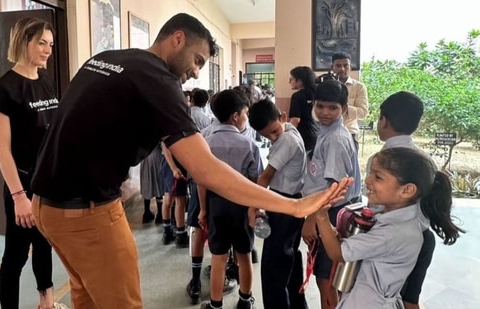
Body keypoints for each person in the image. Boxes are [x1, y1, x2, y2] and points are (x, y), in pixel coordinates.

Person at [30, 13, 351, 309]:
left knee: (87, 297)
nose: (197, 72)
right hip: (86, 213)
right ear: (177, 38)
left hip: (46, 205)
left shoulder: (107, 59)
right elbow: (206, 169)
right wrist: (294, 206)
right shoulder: (157, 78)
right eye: (197, 59)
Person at [316, 147, 464, 309]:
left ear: (407, 190)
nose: (368, 180)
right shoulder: (401, 220)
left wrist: (321, 216)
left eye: (378, 177)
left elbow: (337, 253)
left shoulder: (395, 232)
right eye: (370, 173)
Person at [0, 17, 64, 309]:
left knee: (44, 244)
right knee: (16, 254)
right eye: (41, 43)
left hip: (47, 184)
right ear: (23, 41)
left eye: (51, 44)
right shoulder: (3, 90)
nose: (47, 50)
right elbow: (1, 150)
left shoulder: (45, 82)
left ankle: (47, 301)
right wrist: (19, 197)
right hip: (22, 185)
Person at [370, 91, 466, 309]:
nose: (370, 181)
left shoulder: (381, 160)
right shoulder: (426, 160)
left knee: (385, 296)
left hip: (393, 242)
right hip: (423, 239)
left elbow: (376, 206)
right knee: (410, 299)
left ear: (384, 121)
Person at [198, 89, 262, 309]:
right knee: (244, 254)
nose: (247, 117)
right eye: (245, 112)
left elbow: (201, 181)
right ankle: (245, 300)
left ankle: (216, 305)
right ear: (235, 115)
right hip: (242, 205)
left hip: (216, 204)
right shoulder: (249, 145)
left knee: (218, 256)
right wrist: (255, 209)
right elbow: (255, 182)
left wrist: (203, 209)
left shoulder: (205, 142)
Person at [300, 80, 361, 309]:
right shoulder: (327, 132)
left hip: (331, 212)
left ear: (344, 109)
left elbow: (334, 188)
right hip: (327, 209)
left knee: (326, 277)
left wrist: (311, 219)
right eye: (320, 106)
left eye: (333, 108)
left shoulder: (336, 138)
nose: (325, 112)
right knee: (325, 276)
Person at [248, 100, 308, 309]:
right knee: (289, 259)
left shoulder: (286, 141)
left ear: (282, 116)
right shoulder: (290, 130)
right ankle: (297, 304)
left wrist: (252, 207)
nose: (273, 138)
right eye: (267, 136)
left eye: (274, 131)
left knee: (273, 268)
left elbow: (265, 178)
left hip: (283, 205)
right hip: (291, 202)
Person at [330, 52, 368, 152]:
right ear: (332, 67)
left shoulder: (359, 87)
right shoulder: (325, 87)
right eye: (338, 66)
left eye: (346, 65)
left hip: (350, 133)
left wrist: (341, 107)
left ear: (350, 67)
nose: (342, 69)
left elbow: (363, 113)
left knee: (350, 167)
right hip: (327, 133)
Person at [288, 66, 319, 152]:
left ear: (300, 80)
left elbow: (295, 120)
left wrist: (287, 135)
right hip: (318, 134)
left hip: (303, 136)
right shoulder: (318, 92)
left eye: (292, 79)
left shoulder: (297, 96)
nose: (289, 82)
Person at [139, 142, 164, 224]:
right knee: (158, 185)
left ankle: (146, 213)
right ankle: (160, 215)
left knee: (147, 184)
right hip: (156, 156)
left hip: (144, 159)